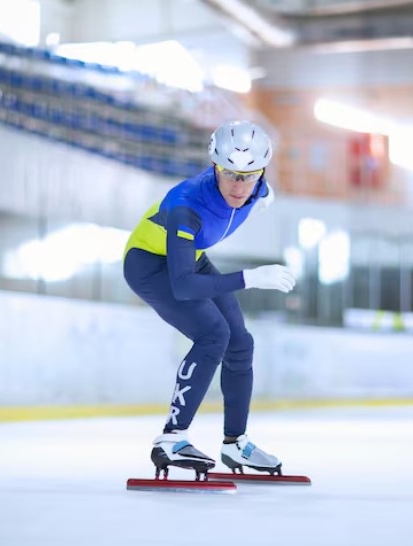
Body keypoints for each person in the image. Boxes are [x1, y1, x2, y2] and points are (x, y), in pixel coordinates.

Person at [123, 120, 295, 478]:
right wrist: (251, 278)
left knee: (240, 342)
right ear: (215, 167)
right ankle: (171, 439)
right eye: (230, 174)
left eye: (249, 176)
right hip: (148, 264)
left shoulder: (257, 188)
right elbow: (183, 286)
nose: (239, 186)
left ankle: (235, 443)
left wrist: (262, 192)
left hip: (191, 258)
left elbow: (260, 190)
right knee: (213, 334)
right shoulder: (187, 206)